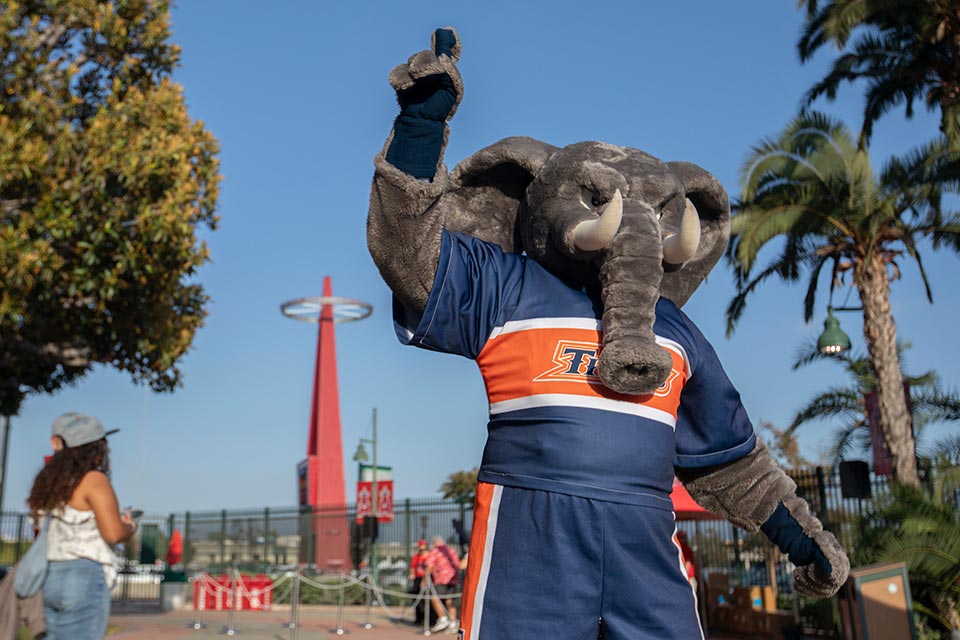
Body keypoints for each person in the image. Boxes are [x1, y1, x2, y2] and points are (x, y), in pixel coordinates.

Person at [27, 413, 138, 640]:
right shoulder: (93, 480)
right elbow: (113, 533)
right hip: (83, 576)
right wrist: (130, 527)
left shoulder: (47, 483)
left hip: (48, 575)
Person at [425, 535, 461, 633]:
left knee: (434, 598)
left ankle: (443, 619)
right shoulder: (451, 551)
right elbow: (458, 564)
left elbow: (429, 566)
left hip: (441, 579)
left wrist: (424, 580)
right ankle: (453, 623)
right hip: (453, 579)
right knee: (450, 600)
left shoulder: (435, 551)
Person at [408, 539, 432, 625]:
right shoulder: (416, 557)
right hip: (418, 579)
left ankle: (430, 619)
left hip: (429, 579)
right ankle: (419, 618)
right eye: (421, 549)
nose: (423, 551)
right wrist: (412, 574)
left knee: (429, 599)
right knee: (417, 598)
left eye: (424, 549)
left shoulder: (430, 556)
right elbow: (412, 567)